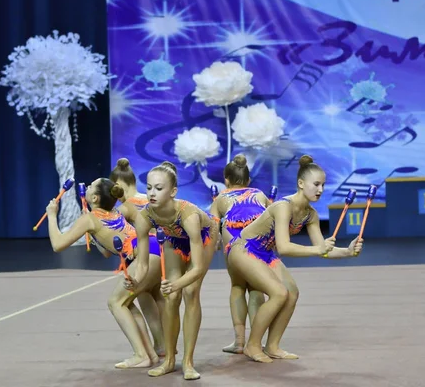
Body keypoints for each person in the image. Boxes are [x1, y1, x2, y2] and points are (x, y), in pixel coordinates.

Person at [226, 155, 363, 363]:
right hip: (243, 249)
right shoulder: (284, 206)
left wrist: (348, 251)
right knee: (279, 292)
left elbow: (324, 250)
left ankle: (272, 345)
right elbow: (284, 247)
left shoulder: (311, 215)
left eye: (323, 185)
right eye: (316, 184)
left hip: (264, 253)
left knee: (292, 293)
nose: (320, 189)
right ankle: (252, 345)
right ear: (301, 183)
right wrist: (318, 250)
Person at [46, 178, 164, 369]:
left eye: (92, 185)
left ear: (93, 197)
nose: (89, 185)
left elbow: (58, 245)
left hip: (144, 255)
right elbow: (107, 251)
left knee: (115, 302)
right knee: (126, 301)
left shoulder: (89, 219)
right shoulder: (116, 212)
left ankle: (141, 354)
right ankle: (150, 353)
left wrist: (52, 215)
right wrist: (92, 233)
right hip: (154, 250)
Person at [127, 161, 219, 380]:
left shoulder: (188, 215)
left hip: (205, 235)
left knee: (189, 292)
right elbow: (141, 264)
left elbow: (196, 268)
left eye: (159, 189)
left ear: (173, 192)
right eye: (149, 187)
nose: (151, 193)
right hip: (174, 237)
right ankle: (169, 360)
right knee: (170, 297)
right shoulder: (145, 216)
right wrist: (135, 280)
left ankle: (188, 362)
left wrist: (177, 283)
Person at [209, 154, 268, 355]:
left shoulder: (221, 197)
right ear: (249, 180)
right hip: (258, 242)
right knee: (256, 288)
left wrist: (214, 244)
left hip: (234, 242)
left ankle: (240, 342)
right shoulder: (260, 194)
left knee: (237, 286)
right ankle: (257, 341)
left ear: (226, 180)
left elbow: (211, 226)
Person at [109, 157, 166, 357]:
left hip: (146, 253)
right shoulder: (149, 199)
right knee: (156, 295)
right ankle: (165, 344)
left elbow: (110, 248)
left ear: (118, 186)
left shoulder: (124, 208)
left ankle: (154, 347)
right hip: (164, 252)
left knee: (135, 295)